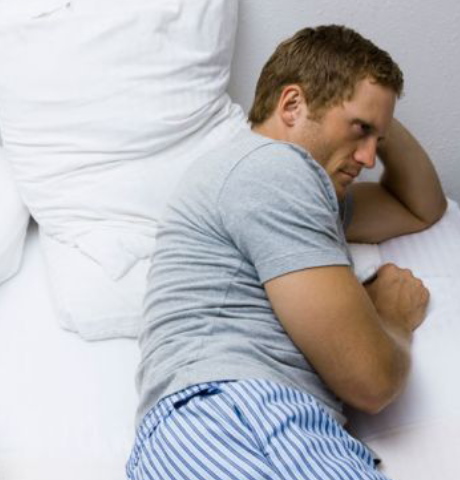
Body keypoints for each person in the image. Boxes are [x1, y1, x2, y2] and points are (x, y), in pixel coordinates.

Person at [128, 25, 446, 480]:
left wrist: (376, 115)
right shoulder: (273, 169)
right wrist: (392, 314)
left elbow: (421, 207)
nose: (369, 157)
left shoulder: (273, 185)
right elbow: (370, 381)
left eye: (378, 139)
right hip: (240, 417)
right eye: (359, 129)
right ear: (292, 105)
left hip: (227, 429)